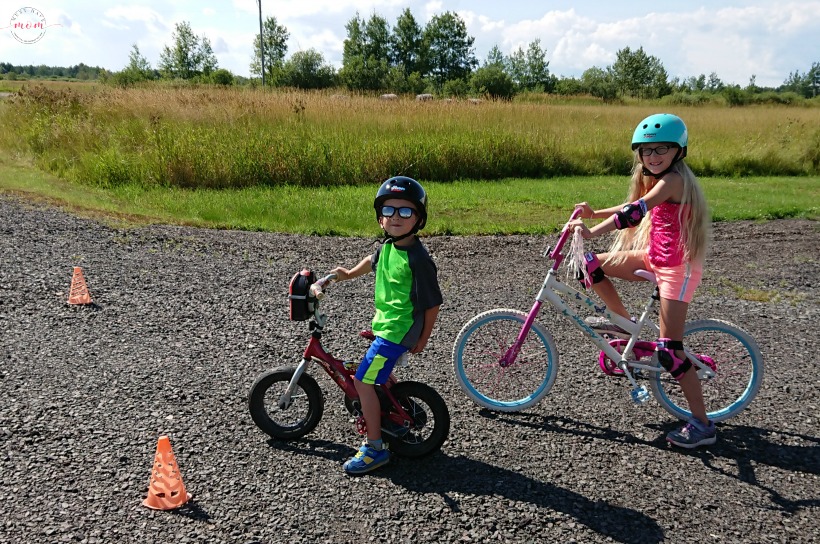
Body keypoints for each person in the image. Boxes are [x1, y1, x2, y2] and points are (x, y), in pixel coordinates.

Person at [570, 113, 715, 448]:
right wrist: (594, 213)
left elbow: (636, 211)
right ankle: (622, 324)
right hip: (656, 257)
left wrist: (592, 231)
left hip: (677, 271)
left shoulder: (675, 180)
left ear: (679, 151)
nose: (653, 156)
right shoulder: (659, 179)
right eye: (646, 150)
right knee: (587, 264)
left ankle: (704, 425)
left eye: (662, 148)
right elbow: (631, 205)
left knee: (670, 354)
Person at [331, 176, 443, 474]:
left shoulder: (418, 258)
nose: (396, 217)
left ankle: (374, 447)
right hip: (388, 325)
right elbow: (373, 259)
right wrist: (347, 274)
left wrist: (423, 337)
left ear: (418, 219)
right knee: (372, 373)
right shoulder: (389, 247)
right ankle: (397, 402)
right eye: (389, 211)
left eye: (405, 212)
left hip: (398, 331)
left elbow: (432, 303)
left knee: (362, 381)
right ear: (380, 218)